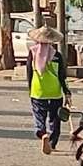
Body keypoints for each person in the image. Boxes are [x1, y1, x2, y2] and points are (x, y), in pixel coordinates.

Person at [26, 25, 71, 155]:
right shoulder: (57, 56)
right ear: (52, 41)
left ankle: (42, 133)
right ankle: (52, 142)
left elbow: (29, 73)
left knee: (39, 117)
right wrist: (67, 92)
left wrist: (30, 89)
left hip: (38, 92)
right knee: (55, 119)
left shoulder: (33, 53)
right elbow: (62, 76)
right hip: (55, 92)